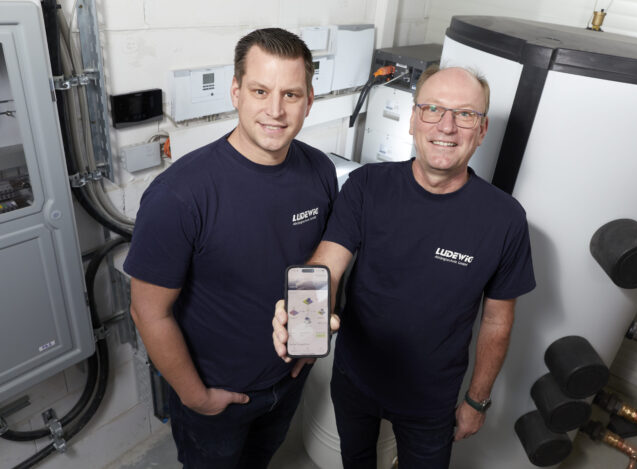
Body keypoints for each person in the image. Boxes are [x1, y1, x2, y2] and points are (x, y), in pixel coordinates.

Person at [273, 64, 535, 468]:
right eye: (433, 109)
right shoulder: (367, 185)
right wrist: (305, 327)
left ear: (482, 130)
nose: (446, 126)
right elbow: (328, 263)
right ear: (413, 120)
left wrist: (476, 400)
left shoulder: (505, 219)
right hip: (355, 380)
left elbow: (497, 321)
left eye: (465, 114)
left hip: (431, 400)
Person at [125, 28, 337, 469]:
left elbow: (318, 265)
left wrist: (308, 344)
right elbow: (148, 312)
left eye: (291, 94)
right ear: (236, 92)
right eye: (260, 91)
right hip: (216, 398)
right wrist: (196, 397)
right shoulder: (180, 195)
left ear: (309, 100)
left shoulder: (319, 170)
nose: (275, 110)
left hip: (288, 380)